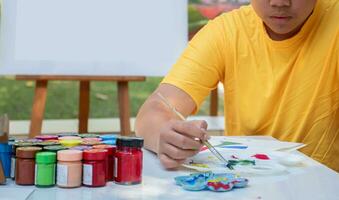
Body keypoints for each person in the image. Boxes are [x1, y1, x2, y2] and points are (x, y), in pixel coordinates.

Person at [135, 0, 339, 171]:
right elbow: (155, 110)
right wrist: (165, 135)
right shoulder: (226, 31)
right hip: (248, 185)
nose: (279, 2)